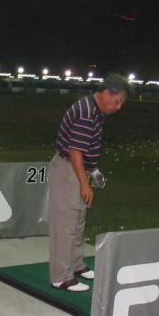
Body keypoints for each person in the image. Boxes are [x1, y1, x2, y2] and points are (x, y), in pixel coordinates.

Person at [48, 73, 130, 292]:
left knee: (78, 220)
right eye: (118, 100)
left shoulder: (94, 109)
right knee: (66, 225)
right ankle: (60, 276)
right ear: (106, 93)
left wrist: (93, 171)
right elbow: (75, 151)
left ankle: (76, 265)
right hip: (68, 169)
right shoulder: (86, 112)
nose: (119, 107)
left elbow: (86, 148)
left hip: (77, 168)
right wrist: (85, 184)